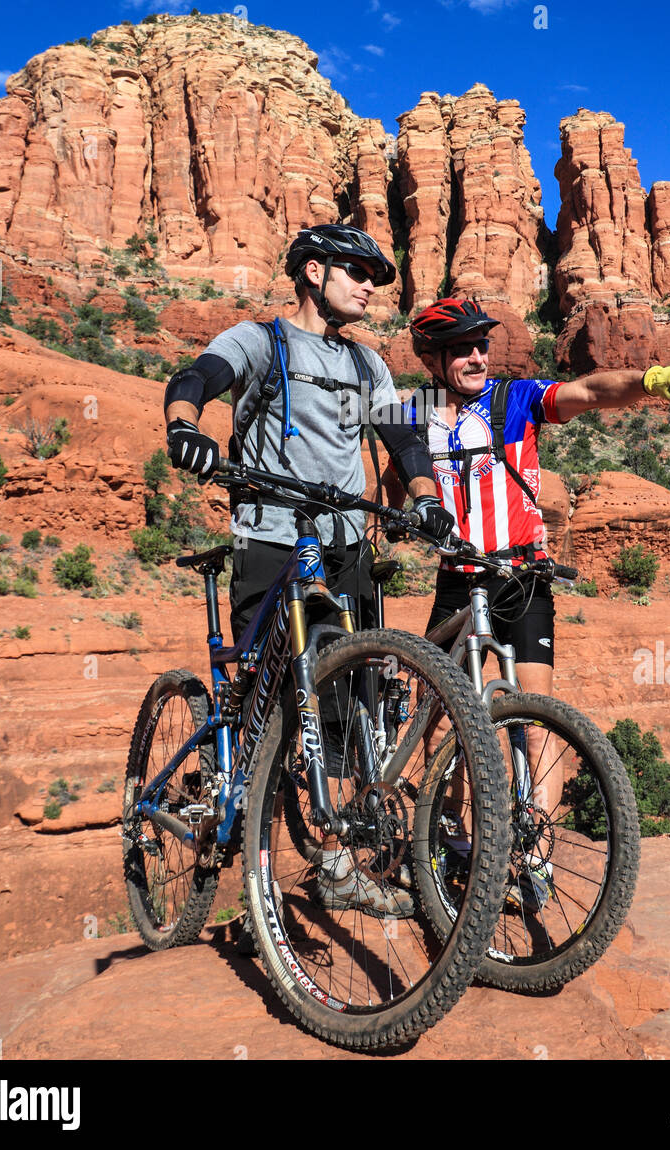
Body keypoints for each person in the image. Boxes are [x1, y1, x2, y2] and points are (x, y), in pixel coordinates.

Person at [163, 224, 454, 917]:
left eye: (376, 278)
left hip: (345, 543)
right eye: (356, 271)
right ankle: (229, 791)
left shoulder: (367, 365)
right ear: (313, 272)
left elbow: (404, 437)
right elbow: (199, 378)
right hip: (271, 536)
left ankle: (333, 860)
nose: (368, 286)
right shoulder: (260, 341)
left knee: (348, 698)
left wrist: (426, 501)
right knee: (265, 693)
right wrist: (183, 427)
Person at [392, 297, 670, 906]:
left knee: (535, 722)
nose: (478, 355)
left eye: (483, 344)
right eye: (462, 348)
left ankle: (535, 855)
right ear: (432, 359)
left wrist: (649, 381)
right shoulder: (412, 414)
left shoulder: (516, 399)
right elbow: (393, 481)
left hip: (522, 577)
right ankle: (448, 844)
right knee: (437, 718)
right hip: (457, 576)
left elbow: (590, 392)